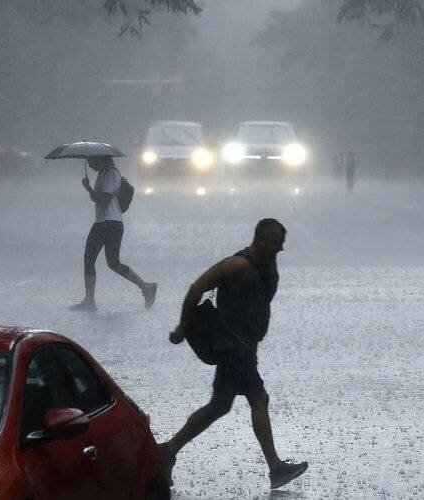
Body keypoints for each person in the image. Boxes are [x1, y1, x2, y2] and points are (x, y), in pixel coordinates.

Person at [159, 218, 308, 490]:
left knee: (219, 406)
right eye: (276, 245)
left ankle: (168, 452)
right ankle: (275, 468)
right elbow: (197, 287)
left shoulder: (267, 264)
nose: (279, 251)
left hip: (243, 348)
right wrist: (183, 325)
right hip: (232, 348)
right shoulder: (237, 265)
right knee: (259, 399)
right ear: (261, 241)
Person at [70, 156, 157, 311]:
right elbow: (100, 199)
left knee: (90, 259)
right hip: (111, 223)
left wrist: (89, 189)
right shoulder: (104, 173)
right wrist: (91, 190)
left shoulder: (110, 174)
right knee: (113, 263)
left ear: (101, 159)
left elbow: (104, 201)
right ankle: (146, 287)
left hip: (107, 223)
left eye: (91, 160)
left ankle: (89, 301)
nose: (89, 163)